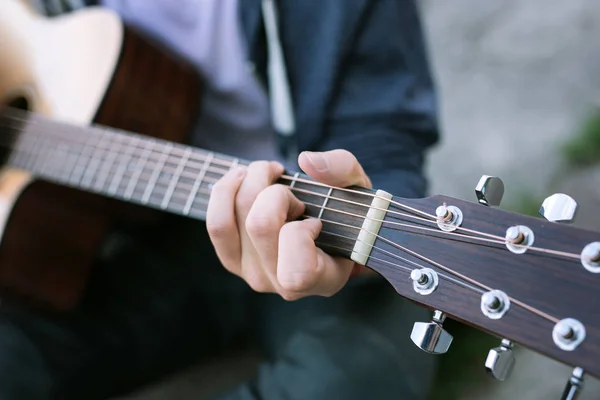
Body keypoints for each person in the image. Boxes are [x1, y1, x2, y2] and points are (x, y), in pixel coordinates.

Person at [6, 0, 441, 399]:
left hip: (311, 223)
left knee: (350, 382)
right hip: (120, 234)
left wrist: (357, 248)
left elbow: (385, 143)